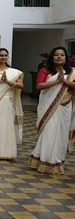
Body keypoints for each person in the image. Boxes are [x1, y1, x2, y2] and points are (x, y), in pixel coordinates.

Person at [29, 46, 75, 175]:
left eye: (62, 55)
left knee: (61, 133)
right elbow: (39, 86)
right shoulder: (45, 70)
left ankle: (56, 161)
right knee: (49, 132)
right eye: (56, 55)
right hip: (49, 107)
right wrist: (56, 81)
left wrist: (64, 81)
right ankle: (43, 159)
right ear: (52, 57)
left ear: (66, 58)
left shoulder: (72, 72)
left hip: (65, 107)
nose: (59, 57)